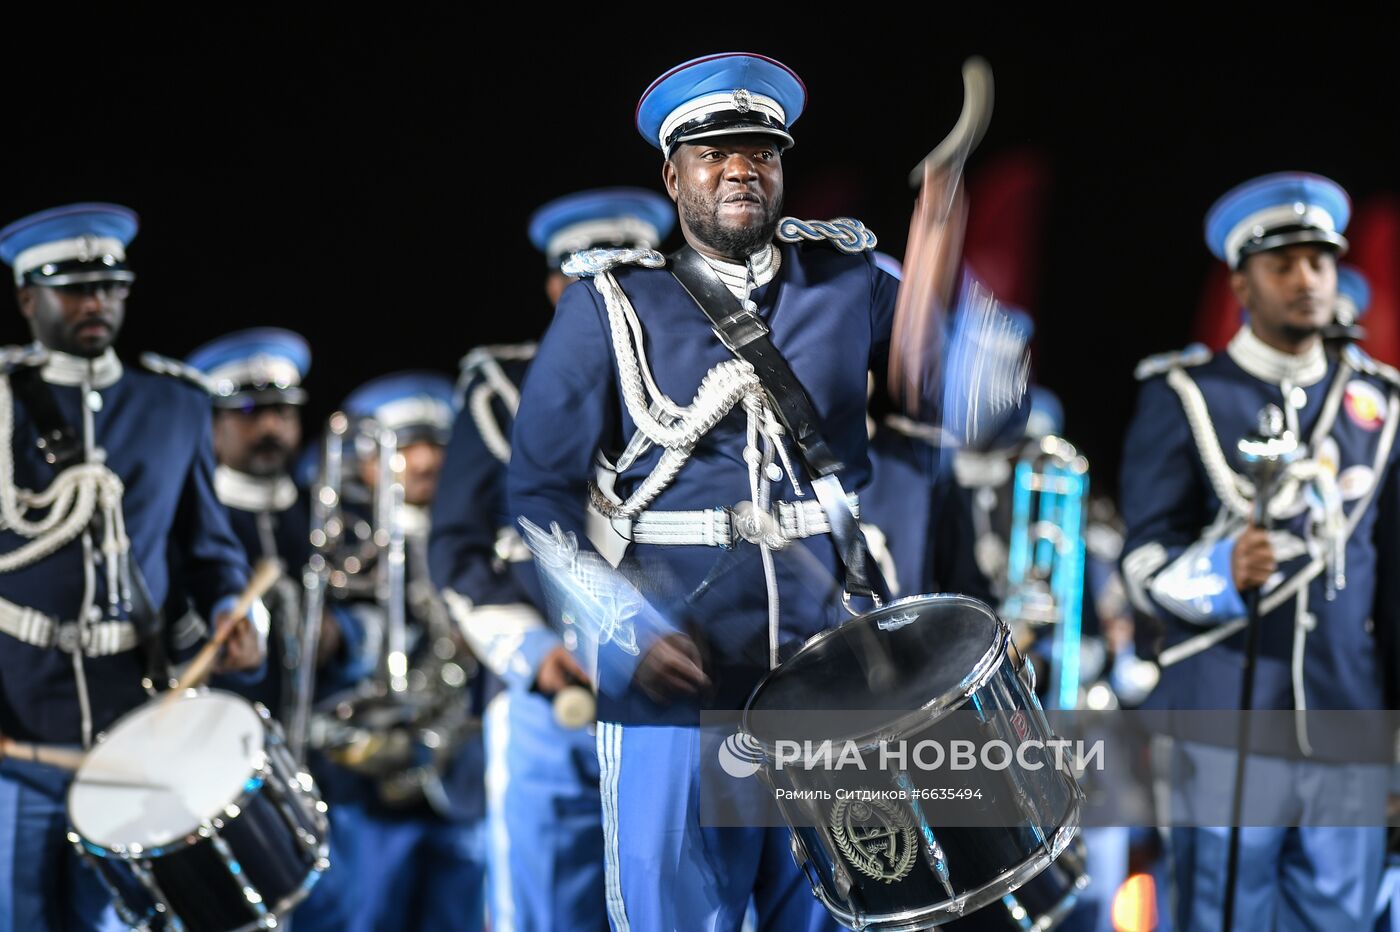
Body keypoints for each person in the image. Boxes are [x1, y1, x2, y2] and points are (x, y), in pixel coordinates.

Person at [507, 52, 1026, 931]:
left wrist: (948, 283)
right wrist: (620, 626)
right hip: (675, 688)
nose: (741, 167)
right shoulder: (609, 303)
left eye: (761, 150)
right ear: (674, 177)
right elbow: (536, 498)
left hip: (831, 683)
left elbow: (987, 414)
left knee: (846, 912)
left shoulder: (848, 278)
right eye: (714, 153)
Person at [1119, 172, 1400, 928]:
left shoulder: (1379, 405)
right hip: (1223, 714)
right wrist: (1220, 572)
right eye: (1284, 265)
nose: (1307, 280)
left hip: (1348, 714)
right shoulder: (1185, 393)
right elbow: (1141, 561)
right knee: (1220, 917)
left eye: (1319, 262)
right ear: (1243, 283)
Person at [0, 203, 262, 930]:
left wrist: (230, 613)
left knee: (131, 918)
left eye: (110, 287)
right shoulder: (2, 403)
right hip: (16, 715)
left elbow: (210, 548)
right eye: (74, 289)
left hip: (136, 716)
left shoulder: (173, 402)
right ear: (28, 298)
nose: (96, 304)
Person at [429, 187, 672, 931]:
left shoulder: (705, 385)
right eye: (583, 279)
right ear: (552, 288)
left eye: (626, 276)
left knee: (681, 897)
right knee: (537, 910)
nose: (605, 296)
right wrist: (532, 654)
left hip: (673, 686)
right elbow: (458, 546)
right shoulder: (499, 389)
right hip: (546, 697)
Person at [185, 326, 366, 932]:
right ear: (212, 423)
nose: (270, 428)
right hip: (218, 764)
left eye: (283, 411)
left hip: (330, 765)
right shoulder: (192, 520)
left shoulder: (333, 511)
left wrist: (347, 637)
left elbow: (384, 610)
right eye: (247, 411)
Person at [324, 371, 489, 932]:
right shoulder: (337, 546)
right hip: (367, 788)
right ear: (366, 463)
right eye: (405, 449)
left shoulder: (481, 538)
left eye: (434, 446)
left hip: (463, 775)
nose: (423, 463)